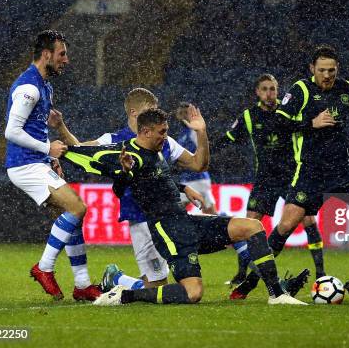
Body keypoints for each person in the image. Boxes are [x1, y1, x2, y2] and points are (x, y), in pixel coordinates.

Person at [63, 108, 306, 305]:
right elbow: (115, 183)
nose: (165, 136)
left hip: (186, 222)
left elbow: (188, 168)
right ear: (146, 131)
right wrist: (65, 153)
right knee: (192, 294)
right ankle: (124, 294)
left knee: (252, 226)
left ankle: (277, 295)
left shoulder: (156, 151)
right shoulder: (132, 156)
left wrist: (201, 134)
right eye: (161, 132)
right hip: (168, 231)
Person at [232, 45, 349, 299]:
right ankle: (251, 281)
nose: (327, 75)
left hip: (343, 170)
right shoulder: (301, 90)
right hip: (310, 173)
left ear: (338, 70)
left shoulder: (347, 89)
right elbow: (280, 122)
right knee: (285, 226)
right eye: (322, 70)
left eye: (332, 70)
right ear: (312, 69)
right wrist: (310, 124)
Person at [66, 88, 209, 291]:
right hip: (141, 218)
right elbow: (81, 150)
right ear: (134, 113)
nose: (154, 115)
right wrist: (61, 128)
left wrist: (201, 133)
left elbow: (198, 164)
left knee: (171, 285)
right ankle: (118, 280)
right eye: (150, 110)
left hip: (168, 218)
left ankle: (117, 279)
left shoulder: (165, 141)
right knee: (159, 287)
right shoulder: (114, 140)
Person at [4, 30, 101, 301]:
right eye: (62, 54)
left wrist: (50, 157)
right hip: (24, 165)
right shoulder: (29, 87)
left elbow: (34, 129)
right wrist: (47, 148)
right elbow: (11, 131)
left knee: (73, 217)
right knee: (78, 207)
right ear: (46, 54)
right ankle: (44, 267)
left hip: (37, 162)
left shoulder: (45, 85)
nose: (66, 60)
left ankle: (82, 284)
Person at [220, 74, 321, 294]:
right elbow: (228, 139)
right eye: (265, 89)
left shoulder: (287, 113)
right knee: (248, 224)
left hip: (291, 176)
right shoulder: (249, 116)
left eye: (273, 89)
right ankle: (242, 273)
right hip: (265, 178)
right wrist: (205, 151)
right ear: (257, 92)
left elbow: (307, 130)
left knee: (308, 219)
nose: (269, 93)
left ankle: (321, 273)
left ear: (278, 91)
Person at [175, 102, 218, 215]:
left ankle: (220, 230)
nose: (184, 115)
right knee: (208, 211)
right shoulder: (182, 133)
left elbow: (205, 149)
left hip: (197, 178)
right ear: (177, 115)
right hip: (188, 179)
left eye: (186, 112)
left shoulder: (194, 131)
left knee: (209, 212)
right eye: (181, 113)